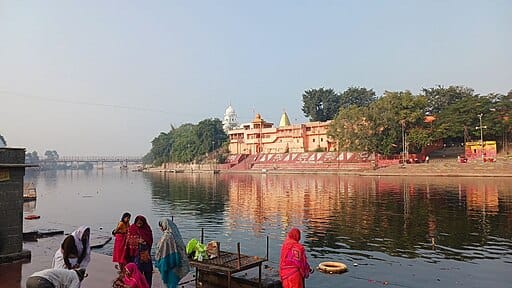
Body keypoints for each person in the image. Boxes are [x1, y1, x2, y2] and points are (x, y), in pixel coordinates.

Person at [155, 218, 190, 288]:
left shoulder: (166, 237)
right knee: (173, 282)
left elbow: (161, 250)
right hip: (176, 262)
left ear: (164, 226)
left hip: (168, 262)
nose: (160, 228)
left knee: (169, 282)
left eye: (161, 226)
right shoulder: (175, 235)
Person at [126, 215, 153, 287]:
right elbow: (128, 240)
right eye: (138, 223)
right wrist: (138, 241)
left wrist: (145, 242)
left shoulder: (147, 229)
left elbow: (150, 240)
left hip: (145, 255)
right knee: (137, 273)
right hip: (134, 255)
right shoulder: (132, 228)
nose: (139, 224)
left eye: (141, 223)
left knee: (148, 273)